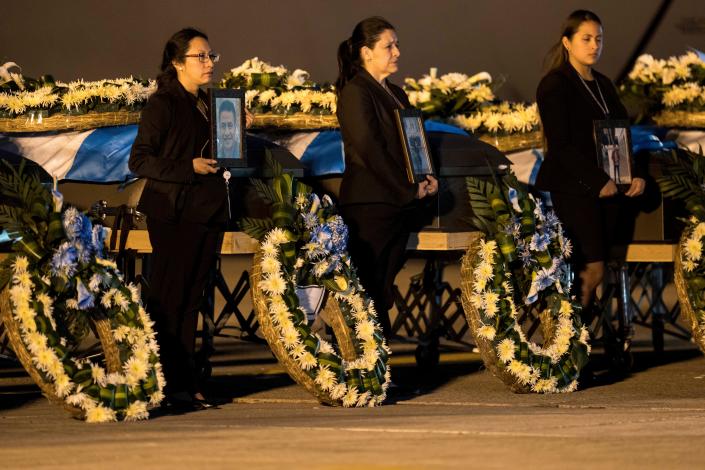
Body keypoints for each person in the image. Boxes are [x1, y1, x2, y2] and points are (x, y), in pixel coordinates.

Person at [128, 28, 230, 410]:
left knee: (191, 301)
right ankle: (161, 383)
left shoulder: (206, 103)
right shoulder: (163, 104)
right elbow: (139, 160)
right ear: (176, 63)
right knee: (169, 300)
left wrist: (236, 128)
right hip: (173, 213)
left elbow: (217, 150)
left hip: (204, 212)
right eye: (200, 57)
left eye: (210, 56)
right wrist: (188, 167)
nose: (208, 63)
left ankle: (186, 383)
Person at [535, 10, 645, 310]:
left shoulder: (604, 84)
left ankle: (584, 339)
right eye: (585, 39)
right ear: (567, 43)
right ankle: (569, 342)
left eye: (598, 39)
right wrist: (597, 180)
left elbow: (622, 136)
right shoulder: (555, 84)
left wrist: (631, 174)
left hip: (609, 189)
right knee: (591, 268)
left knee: (603, 268)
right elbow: (561, 144)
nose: (594, 45)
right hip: (576, 189)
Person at [336, 17, 438, 338]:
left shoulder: (395, 92)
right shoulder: (356, 92)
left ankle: (377, 363)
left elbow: (412, 143)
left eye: (397, 45)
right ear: (366, 52)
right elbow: (370, 150)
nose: (396, 52)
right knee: (370, 285)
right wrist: (408, 188)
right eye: (388, 46)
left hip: (397, 201)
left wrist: (426, 175)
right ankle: (368, 362)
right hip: (371, 202)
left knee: (381, 284)